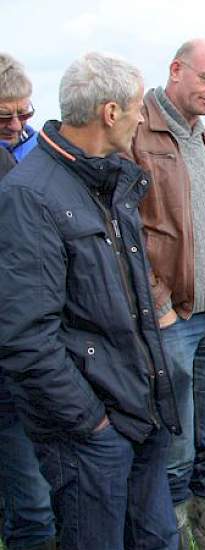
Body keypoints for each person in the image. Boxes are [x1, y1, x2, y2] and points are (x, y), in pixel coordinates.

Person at [0, 52, 181, 550]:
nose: (142, 119)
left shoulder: (109, 181)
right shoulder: (30, 195)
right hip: (92, 432)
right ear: (110, 113)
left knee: (159, 540)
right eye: (137, 108)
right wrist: (90, 424)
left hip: (137, 412)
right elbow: (24, 337)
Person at [130, 38, 205, 548]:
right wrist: (158, 302)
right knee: (175, 451)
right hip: (176, 319)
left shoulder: (204, 137)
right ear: (176, 69)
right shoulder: (137, 133)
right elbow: (127, 229)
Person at [0, 52, 55, 550]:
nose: (17, 125)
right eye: (3, 118)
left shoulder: (42, 152)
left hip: (41, 340)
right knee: (30, 502)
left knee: (41, 488)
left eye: (24, 113)